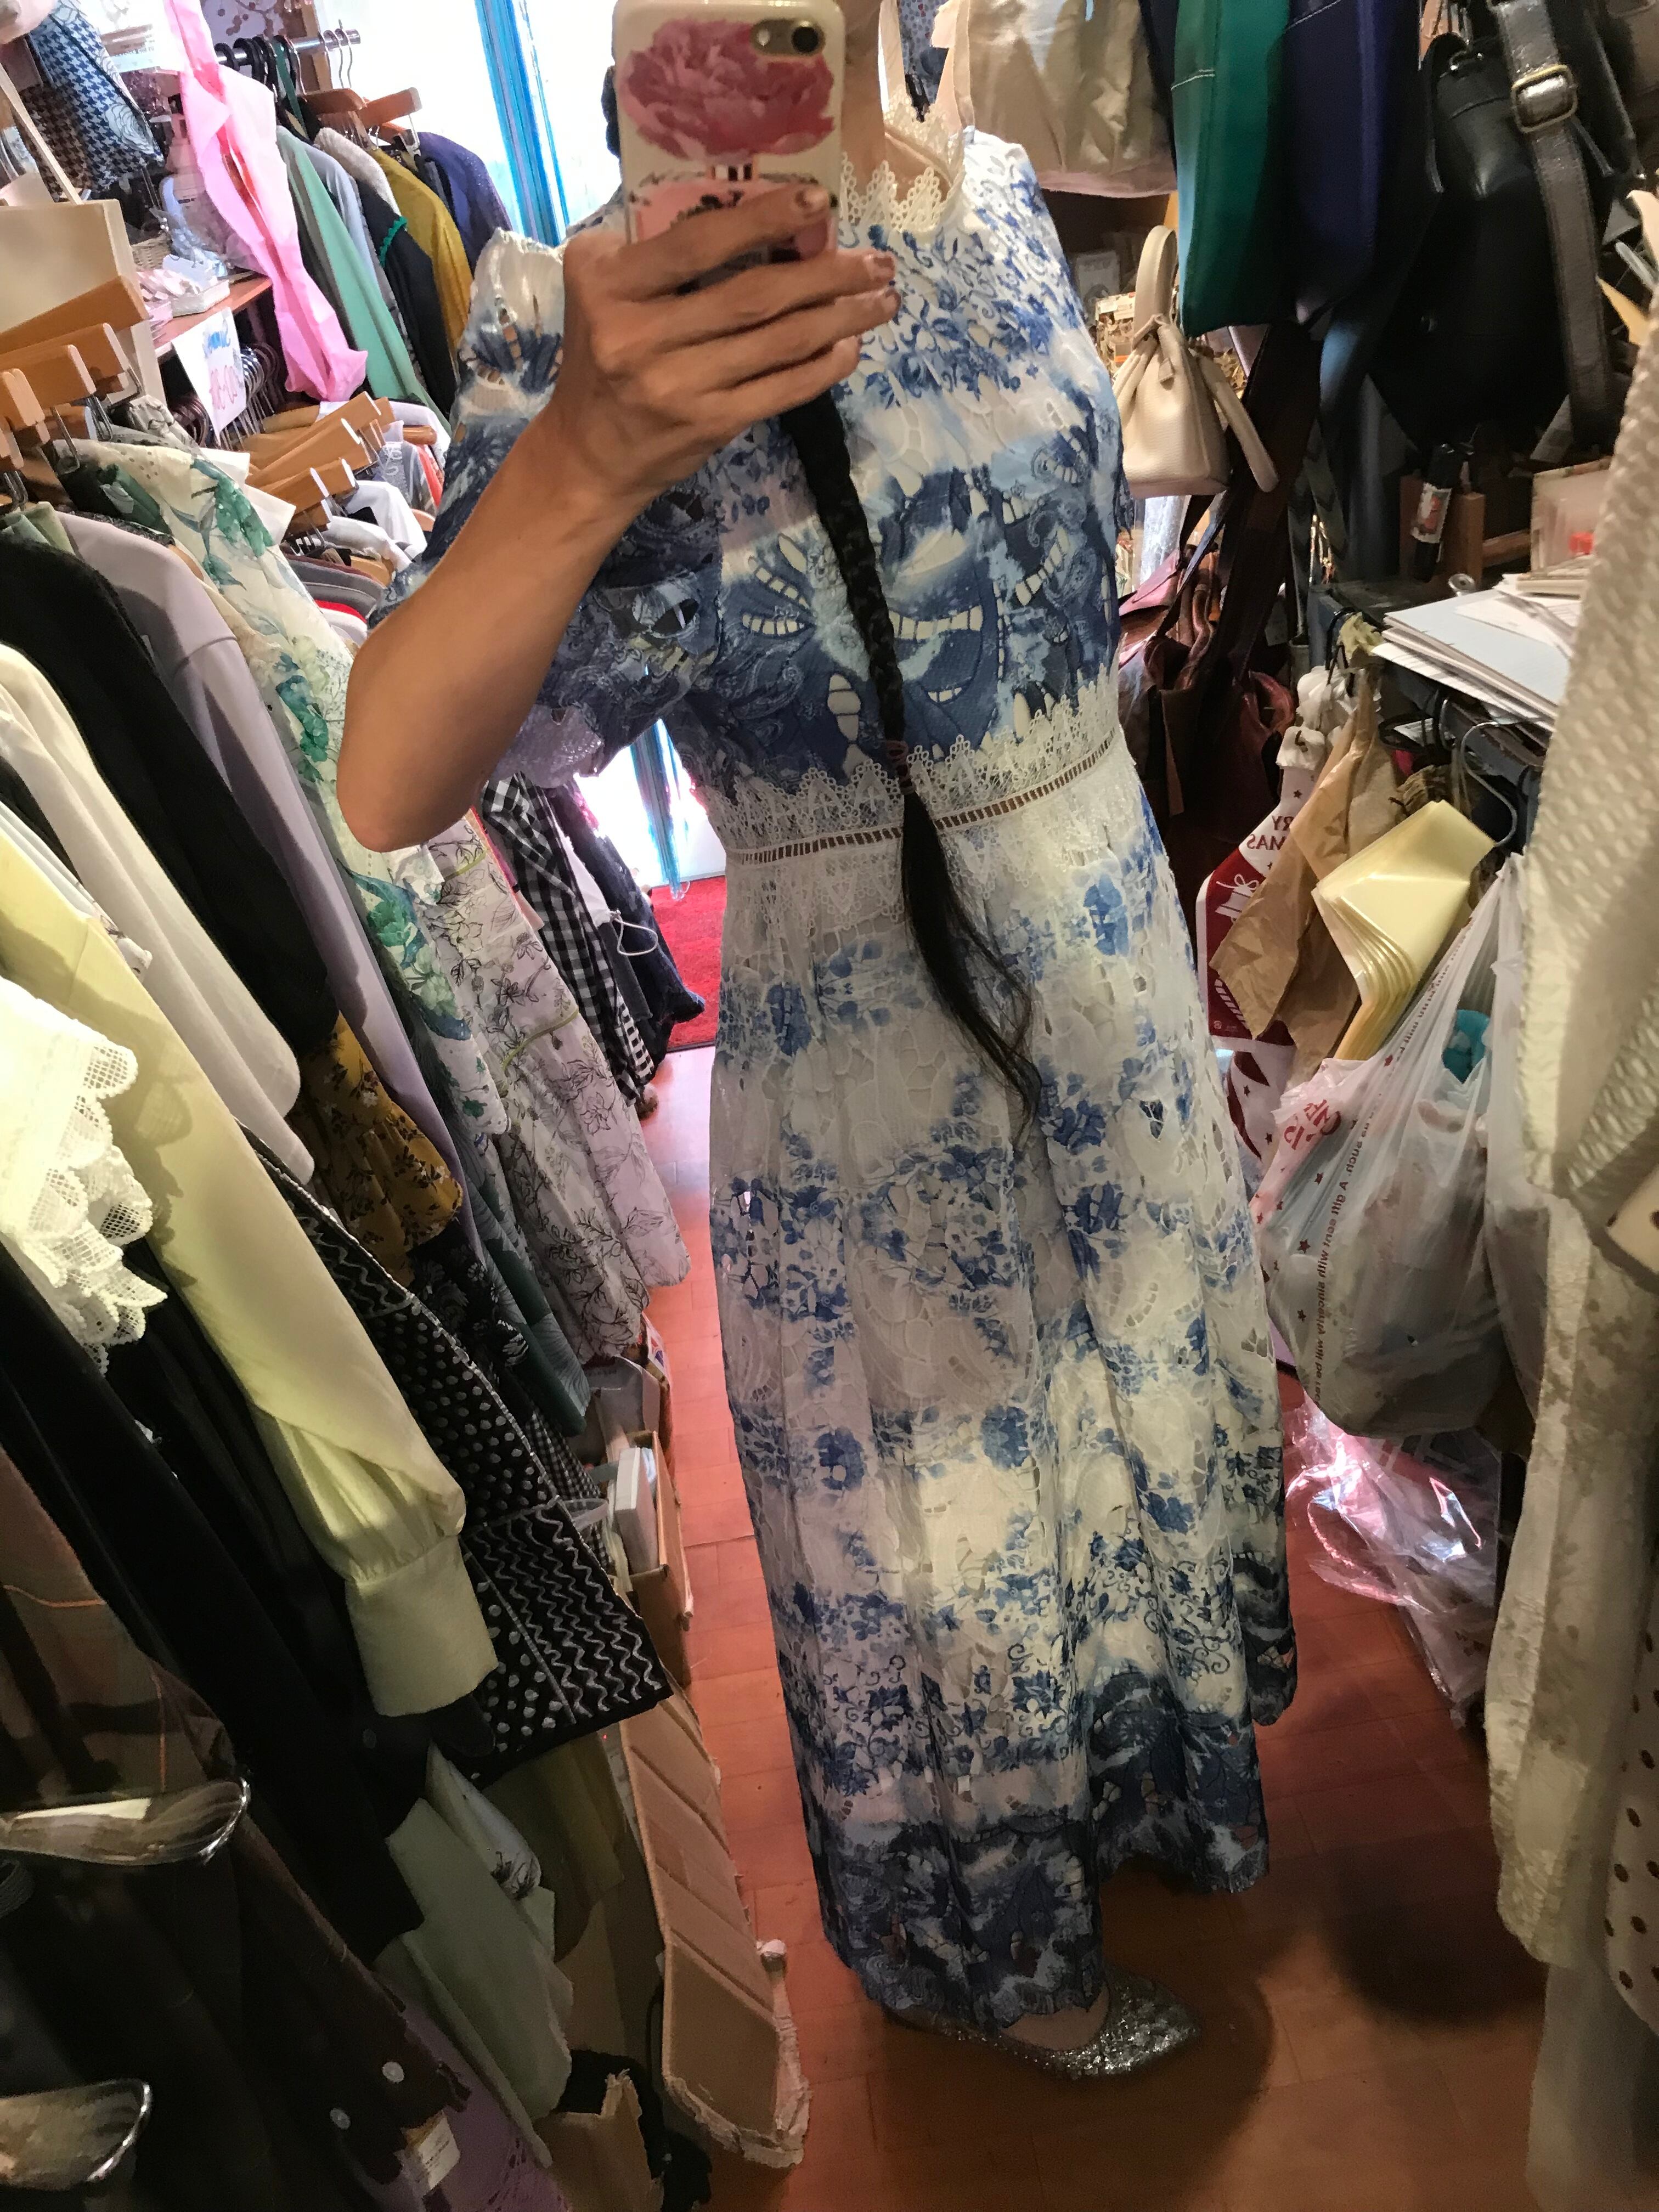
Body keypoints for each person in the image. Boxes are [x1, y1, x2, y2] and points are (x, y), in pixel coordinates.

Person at [342, 0, 1295, 2074]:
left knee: (1129, 1418)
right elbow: (393, 775)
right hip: (873, 1033)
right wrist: (585, 451)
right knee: (950, 1534)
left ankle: (1136, 1794)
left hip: (1106, 947)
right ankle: (1003, 1950)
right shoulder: (589, 313)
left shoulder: (1009, 199)